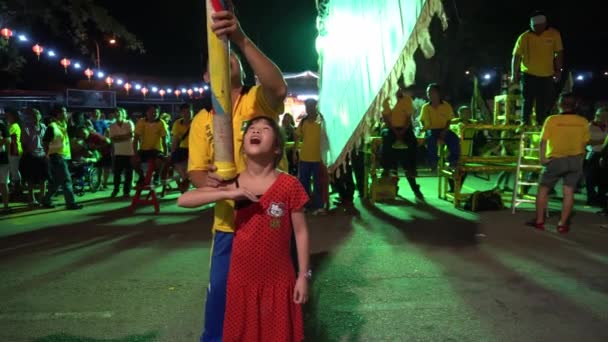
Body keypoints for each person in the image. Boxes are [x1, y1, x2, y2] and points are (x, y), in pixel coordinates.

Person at [187, 8, 287, 342]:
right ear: (207, 76)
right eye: (220, 58)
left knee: (270, 298)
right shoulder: (202, 121)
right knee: (221, 300)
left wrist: (240, 39)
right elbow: (197, 173)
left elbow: (277, 87)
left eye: (233, 57)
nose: (228, 59)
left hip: (269, 220)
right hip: (228, 223)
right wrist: (213, 185)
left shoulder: (257, 102)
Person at [180, 117, 309, 341]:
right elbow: (184, 200)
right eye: (251, 129)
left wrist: (303, 276)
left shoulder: (290, 185)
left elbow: (301, 233)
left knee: (277, 333)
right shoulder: (233, 183)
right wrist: (228, 193)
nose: (256, 131)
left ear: (277, 147)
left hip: (279, 279)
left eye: (265, 129)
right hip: (241, 280)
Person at [529, 93, 589, 233]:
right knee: (568, 193)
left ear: (559, 104)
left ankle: (539, 221)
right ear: (576, 105)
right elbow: (584, 143)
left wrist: (542, 158)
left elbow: (542, 141)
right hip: (575, 160)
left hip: (556, 160)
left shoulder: (552, 120)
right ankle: (562, 224)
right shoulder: (583, 121)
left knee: (543, 190)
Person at [511, 11, 564, 126]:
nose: (537, 29)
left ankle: (541, 123)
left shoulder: (554, 34)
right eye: (534, 27)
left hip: (547, 74)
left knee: (543, 101)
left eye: (539, 26)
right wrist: (514, 74)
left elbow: (559, 53)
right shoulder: (524, 37)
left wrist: (558, 70)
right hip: (528, 73)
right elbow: (516, 56)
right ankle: (524, 122)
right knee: (527, 99)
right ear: (531, 25)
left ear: (544, 24)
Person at [381, 88, 423, 200]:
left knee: (413, 142)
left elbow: (409, 118)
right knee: (386, 139)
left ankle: (412, 168)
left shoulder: (407, 100)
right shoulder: (387, 100)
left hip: (405, 128)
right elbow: (386, 118)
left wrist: (403, 131)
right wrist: (395, 132)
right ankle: (387, 168)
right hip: (391, 128)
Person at [40, 106, 83, 210]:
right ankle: (70, 203)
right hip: (56, 157)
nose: (66, 113)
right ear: (58, 114)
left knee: (56, 182)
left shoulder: (64, 125)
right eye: (64, 112)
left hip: (63, 156)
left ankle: (45, 200)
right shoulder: (52, 126)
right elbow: (45, 142)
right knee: (67, 180)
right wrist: (47, 155)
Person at [294, 99, 327, 214]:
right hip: (304, 157)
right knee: (304, 183)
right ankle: (306, 205)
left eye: (311, 106)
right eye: (307, 107)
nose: (309, 109)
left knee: (318, 183)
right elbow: (297, 137)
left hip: (318, 158)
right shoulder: (303, 121)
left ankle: (319, 205)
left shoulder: (321, 120)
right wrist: (294, 152)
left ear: (315, 106)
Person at [419, 83, 460, 171]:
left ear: (438, 93)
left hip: (443, 129)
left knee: (455, 139)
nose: (429, 94)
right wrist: (424, 128)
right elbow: (422, 120)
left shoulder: (446, 105)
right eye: (428, 92)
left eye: (431, 92)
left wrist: (445, 130)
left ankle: (453, 161)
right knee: (430, 139)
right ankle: (433, 162)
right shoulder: (425, 107)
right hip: (431, 130)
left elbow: (449, 120)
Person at [132, 105, 168, 185]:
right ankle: (142, 177)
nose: (154, 113)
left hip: (157, 150)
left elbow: (164, 141)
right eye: (151, 112)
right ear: (147, 112)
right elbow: (135, 139)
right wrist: (135, 154)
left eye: (156, 112)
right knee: (133, 161)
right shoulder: (141, 122)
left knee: (159, 161)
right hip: (144, 150)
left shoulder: (161, 123)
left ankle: (156, 176)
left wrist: (165, 154)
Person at [20, 108, 48, 206]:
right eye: (33, 115)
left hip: (42, 156)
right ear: (30, 117)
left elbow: (47, 142)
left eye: (37, 114)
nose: (35, 116)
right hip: (31, 156)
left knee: (43, 179)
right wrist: (29, 153)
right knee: (30, 179)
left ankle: (42, 198)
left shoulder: (44, 127)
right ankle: (31, 199)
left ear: (40, 116)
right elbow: (23, 144)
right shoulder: (26, 128)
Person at [109, 108, 134, 198]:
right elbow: (112, 139)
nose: (117, 114)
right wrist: (123, 137)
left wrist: (118, 138)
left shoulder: (128, 123)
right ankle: (116, 190)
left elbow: (130, 135)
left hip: (130, 151)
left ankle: (126, 191)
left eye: (119, 112)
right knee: (117, 174)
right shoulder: (112, 125)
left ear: (124, 114)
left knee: (128, 174)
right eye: (115, 112)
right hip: (118, 152)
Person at [585, 107, 608, 206]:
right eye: (600, 115)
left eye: (605, 116)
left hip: (606, 154)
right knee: (590, 178)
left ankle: (601, 197)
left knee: (604, 178)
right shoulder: (589, 126)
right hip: (593, 154)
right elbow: (586, 141)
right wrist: (604, 141)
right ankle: (591, 198)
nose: (602, 118)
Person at [170, 103, 193, 192]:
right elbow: (175, 139)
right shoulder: (177, 123)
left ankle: (185, 181)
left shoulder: (196, 122)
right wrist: (172, 152)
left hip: (195, 148)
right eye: (185, 112)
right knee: (174, 159)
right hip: (183, 148)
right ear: (181, 113)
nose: (188, 114)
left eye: (189, 111)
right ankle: (185, 179)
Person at [5, 108, 23, 193]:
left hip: (14, 151)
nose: (7, 117)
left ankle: (17, 188)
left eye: (8, 115)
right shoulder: (12, 125)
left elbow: (7, 136)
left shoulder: (14, 126)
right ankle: (15, 187)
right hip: (13, 151)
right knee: (13, 169)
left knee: (14, 170)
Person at [0, 120, 11, 213]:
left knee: (3, 183)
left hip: (2, 158)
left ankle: (6, 206)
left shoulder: (2, 125)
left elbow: (8, 140)